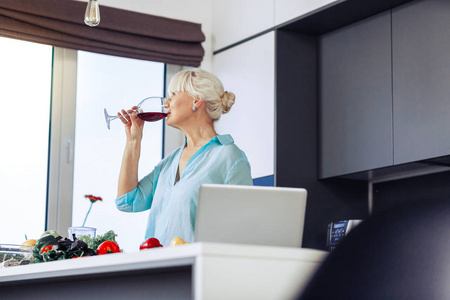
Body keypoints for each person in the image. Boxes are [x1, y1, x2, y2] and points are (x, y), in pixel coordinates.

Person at [114, 69, 253, 247]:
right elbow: (127, 201)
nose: (166, 104)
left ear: (196, 100)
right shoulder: (169, 162)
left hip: (194, 269)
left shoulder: (229, 156)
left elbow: (243, 230)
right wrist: (133, 141)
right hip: (155, 268)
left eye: (173, 94)